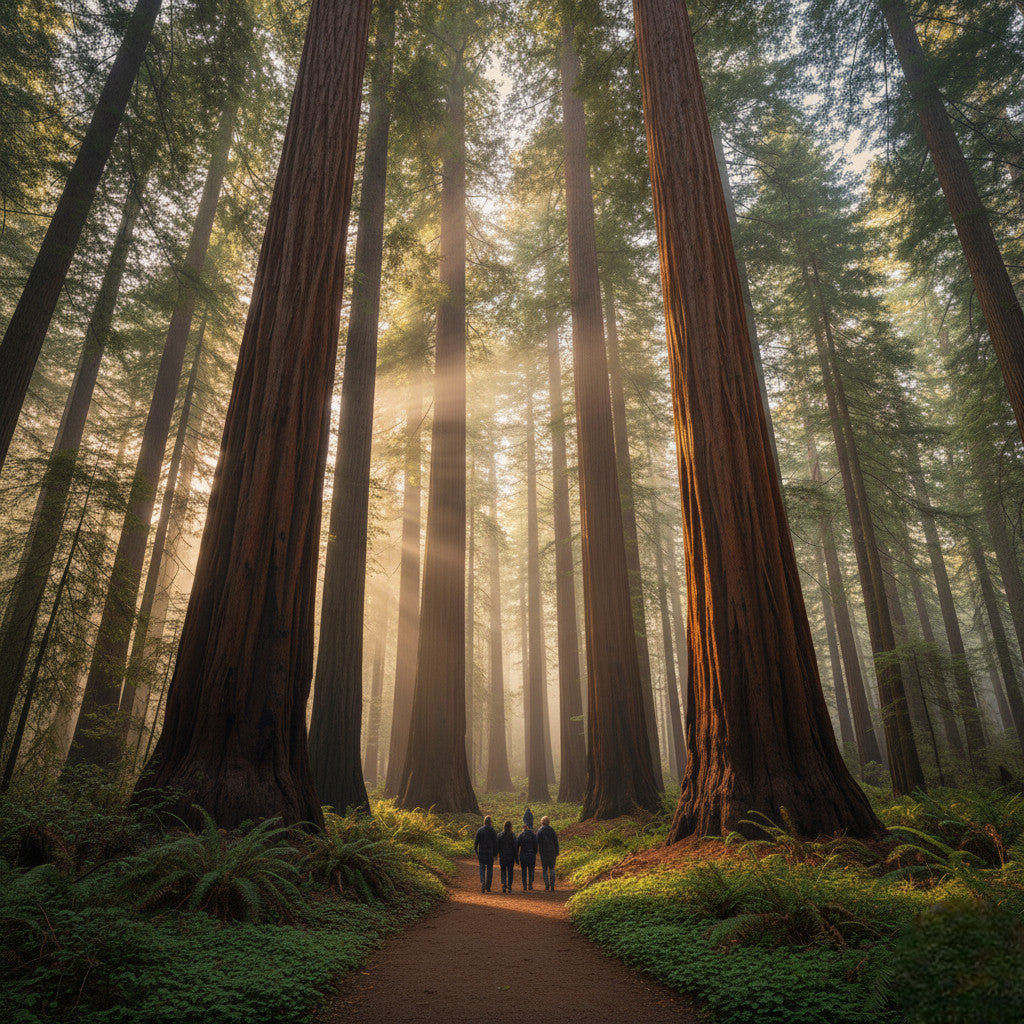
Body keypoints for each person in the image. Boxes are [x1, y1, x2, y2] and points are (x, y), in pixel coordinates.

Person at [474, 815, 499, 893]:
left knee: (482, 868)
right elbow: (496, 843)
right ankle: (488, 886)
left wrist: (476, 851)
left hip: (482, 852)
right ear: (490, 822)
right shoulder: (492, 831)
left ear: (484, 822)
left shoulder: (480, 830)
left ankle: (482, 882)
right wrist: (495, 853)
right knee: (489, 869)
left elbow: (476, 842)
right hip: (490, 853)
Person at [536, 814, 560, 891]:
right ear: (548, 822)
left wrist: (536, 850)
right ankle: (552, 885)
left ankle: (546, 885)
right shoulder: (552, 830)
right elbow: (556, 842)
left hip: (543, 852)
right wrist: (557, 851)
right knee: (552, 868)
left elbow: (537, 841)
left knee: (545, 869)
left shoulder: (540, 831)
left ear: (542, 822)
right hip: (552, 851)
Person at [496, 820, 518, 893]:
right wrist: (516, 858)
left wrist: (497, 854)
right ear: (511, 827)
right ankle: (510, 886)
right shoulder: (512, 835)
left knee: (503, 871)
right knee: (510, 871)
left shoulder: (500, 835)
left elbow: (497, 846)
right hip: (510, 856)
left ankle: (504, 884)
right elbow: (515, 847)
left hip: (502, 856)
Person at [516, 821, 538, 891]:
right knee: (531, 870)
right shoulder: (533, 835)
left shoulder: (521, 835)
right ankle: (530, 884)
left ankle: (524, 885)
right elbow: (535, 845)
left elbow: (517, 846)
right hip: (531, 854)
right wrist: (534, 853)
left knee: (524, 871)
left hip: (523, 855)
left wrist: (517, 856)